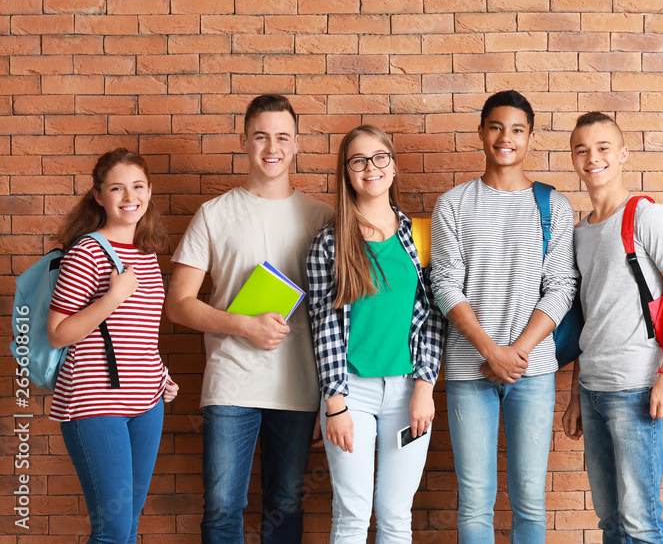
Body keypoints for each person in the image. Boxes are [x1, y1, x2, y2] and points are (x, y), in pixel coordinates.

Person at [164, 94, 333, 544]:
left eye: (281, 137)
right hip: (231, 383)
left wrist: (333, 398)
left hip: (300, 387)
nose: (271, 147)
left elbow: (340, 313)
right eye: (260, 136)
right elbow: (178, 303)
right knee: (222, 508)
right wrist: (244, 325)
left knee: (285, 505)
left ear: (297, 144)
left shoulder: (324, 218)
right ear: (244, 141)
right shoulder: (214, 214)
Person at [430, 90, 578, 543]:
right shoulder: (452, 204)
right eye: (496, 127)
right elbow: (444, 285)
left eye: (517, 129)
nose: (505, 138)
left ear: (530, 137)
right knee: (474, 498)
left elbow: (561, 287)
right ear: (481, 132)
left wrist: (516, 353)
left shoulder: (554, 206)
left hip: (531, 371)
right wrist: (490, 351)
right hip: (467, 369)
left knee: (530, 496)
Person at [562, 112, 663, 544]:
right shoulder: (581, 233)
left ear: (622, 154)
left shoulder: (646, 215)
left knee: (641, 523)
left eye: (603, 147)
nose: (593, 157)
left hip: (638, 389)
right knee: (611, 521)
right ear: (574, 159)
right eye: (582, 149)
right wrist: (575, 394)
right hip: (594, 390)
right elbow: (588, 316)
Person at [306, 125, 446, 543]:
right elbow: (323, 326)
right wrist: (334, 404)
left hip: (408, 393)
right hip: (351, 392)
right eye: (358, 160)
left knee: (395, 515)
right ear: (347, 172)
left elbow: (434, 317)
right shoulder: (329, 243)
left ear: (394, 165)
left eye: (379, 157)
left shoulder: (419, 236)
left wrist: (425, 387)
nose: (371, 167)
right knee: (352, 513)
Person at [47, 147, 179, 544]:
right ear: (99, 196)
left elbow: (137, 332)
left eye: (137, 186)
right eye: (117, 188)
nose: (129, 197)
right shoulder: (86, 251)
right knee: (113, 532)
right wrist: (111, 297)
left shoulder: (146, 254)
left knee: (129, 527)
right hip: (94, 402)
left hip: (146, 401)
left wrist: (160, 374)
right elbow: (58, 332)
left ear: (150, 190)